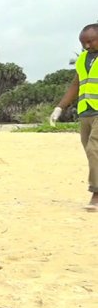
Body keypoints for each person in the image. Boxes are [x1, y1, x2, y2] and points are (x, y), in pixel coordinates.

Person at [50, 23, 98, 211]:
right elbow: (75, 86)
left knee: (95, 150)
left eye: (90, 41)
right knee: (90, 152)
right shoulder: (83, 60)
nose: (86, 46)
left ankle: (96, 195)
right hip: (85, 111)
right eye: (83, 43)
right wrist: (59, 108)